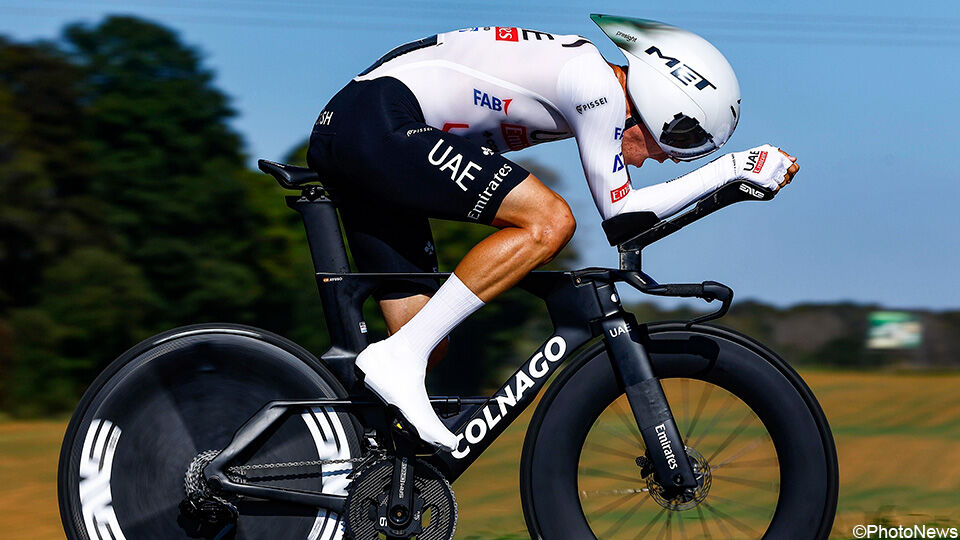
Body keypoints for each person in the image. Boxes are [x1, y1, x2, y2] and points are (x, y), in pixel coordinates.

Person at [306, 15, 799, 452]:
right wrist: (733, 167)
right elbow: (623, 217)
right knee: (549, 222)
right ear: (655, 99)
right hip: (376, 120)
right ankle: (397, 362)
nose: (668, 158)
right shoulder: (597, 86)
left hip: (366, 126)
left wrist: (731, 179)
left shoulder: (587, 80)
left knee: (425, 339)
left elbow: (632, 221)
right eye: (680, 138)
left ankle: (340, 463)